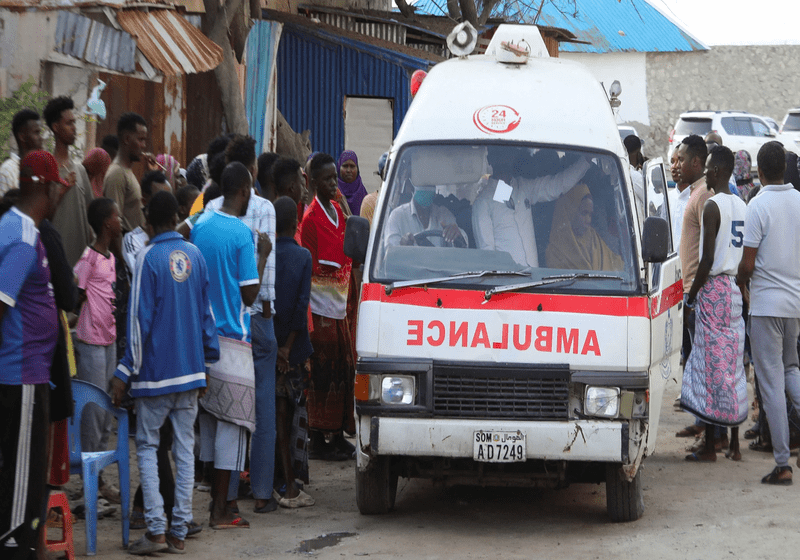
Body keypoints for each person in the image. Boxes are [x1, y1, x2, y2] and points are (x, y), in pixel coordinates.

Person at [111, 191, 219, 554]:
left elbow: (138, 322)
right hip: (190, 371)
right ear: (175, 218)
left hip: (155, 373)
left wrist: (124, 371)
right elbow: (208, 315)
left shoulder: (147, 258)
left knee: (147, 445)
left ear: (147, 222)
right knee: (185, 450)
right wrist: (205, 363)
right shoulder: (195, 255)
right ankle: (177, 530)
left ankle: (156, 527)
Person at [191, 162, 270, 528]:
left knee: (208, 421)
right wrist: (263, 254)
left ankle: (213, 501)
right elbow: (250, 293)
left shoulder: (201, 225)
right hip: (232, 339)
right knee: (235, 427)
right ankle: (223, 509)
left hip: (201, 335)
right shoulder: (241, 234)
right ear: (244, 192)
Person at [204, 135, 278, 513]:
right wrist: (262, 256)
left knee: (222, 413)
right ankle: (260, 493)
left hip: (213, 323)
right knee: (259, 409)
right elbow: (260, 285)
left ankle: (225, 493)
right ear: (251, 175)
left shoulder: (208, 211)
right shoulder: (263, 209)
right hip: (252, 320)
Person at [0, 151, 62, 559]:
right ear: (44, 185)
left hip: (29, 372)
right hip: (21, 372)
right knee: (22, 478)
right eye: (57, 185)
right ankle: (14, 547)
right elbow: (2, 301)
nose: (59, 193)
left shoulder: (19, 227)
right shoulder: (22, 235)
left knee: (23, 473)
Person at [736, 141, 800, 486]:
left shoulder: (758, 206)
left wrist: (740, 283)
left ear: (759, 171)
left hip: (765, 305)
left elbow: (747, 263)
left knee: (771, 382)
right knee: (791, 369)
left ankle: (782, 463)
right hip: (794, 304)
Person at [680, 146, 747, 463]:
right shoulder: (741, 204)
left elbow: (706, 259)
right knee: (732, 366)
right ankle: (733, 445)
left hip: (712, 290)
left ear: (718, 171)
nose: (705, 172)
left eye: (708, 168)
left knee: (708, 367)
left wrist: (691, 297)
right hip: (733, 291)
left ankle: (709, 445)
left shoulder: (713, 206)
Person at [300, 153, 356, 461]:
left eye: (335, 177)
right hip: (321, 308)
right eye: (327, 179)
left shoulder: (336, 210)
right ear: (314, 183)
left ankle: (334, 433)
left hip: (338, 305)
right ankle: (319, 438)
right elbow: (316, 265)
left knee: (341, 371)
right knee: (322, 374)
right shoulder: (311, 218)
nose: (334, 183)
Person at [73, 197, 123, 504]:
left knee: (105, 409)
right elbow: (77, 294)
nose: (120, 221)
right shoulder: (88, 258)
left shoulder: (110, 258)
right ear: (107, 223)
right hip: (91, 340)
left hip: (109, 340)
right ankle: (89, 481)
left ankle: (99, 477)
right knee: (92, 411)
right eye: (117, 216)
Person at [472, 148, 590, 268]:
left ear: (513, 157)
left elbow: (557, 185)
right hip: (507, 283)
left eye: (508, 154)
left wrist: (586, 161)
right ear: (490, 159)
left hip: (534, 280)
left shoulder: (524, 188)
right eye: (499, 154)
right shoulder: (483, 202)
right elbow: (487, 255)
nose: (504, 159)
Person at [272, 196, 315, 508]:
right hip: (294, 350)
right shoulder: (303, 256)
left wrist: (277, 348)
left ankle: (279, 480)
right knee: (295, 416)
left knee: (277, 417)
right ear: (296, 223)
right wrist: (288, 348)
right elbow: (301, 307)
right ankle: (291, 484)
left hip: (271, 349)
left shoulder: (266, 256)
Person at [673, 135, 712, 439]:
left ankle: (709, 430)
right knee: (696, 359)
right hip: (688, 288)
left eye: (683, 159)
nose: (678, 165)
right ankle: (702, 422)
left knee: (702, 360)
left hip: (696, 291)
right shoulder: (692, 194)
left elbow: (708, 251)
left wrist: (694, 292)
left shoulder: (702, 197)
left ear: (696, 163)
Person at [43, 96, 94, 267]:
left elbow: (90, 218)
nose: (74, 128)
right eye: (69, 123)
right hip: (54, 266)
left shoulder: (80, 170)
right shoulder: (45, 170)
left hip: (80, 268)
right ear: (56, 127)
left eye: (74, 122)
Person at [545, 184, 624, 271]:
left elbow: (615, 263)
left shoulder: (593, 238)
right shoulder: (555, 251)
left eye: (590, 215)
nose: (588, 220)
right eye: (584, 213)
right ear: (570, 212)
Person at [103, 112, 151, 233]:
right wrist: (121, 253)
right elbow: (113, 224)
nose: (144, 145)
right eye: (140, 139)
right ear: (127, 139)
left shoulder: (126, 171)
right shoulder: (117, 174)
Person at [122, 171, 172, 280]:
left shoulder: (179, 238)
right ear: (144, 201)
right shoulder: (132, 240)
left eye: (169, 199)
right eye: (160, 199)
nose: (167, 206)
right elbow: (142, 276)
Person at [385, 184, 467, 248]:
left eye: (430, 184)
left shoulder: (444, 214)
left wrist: (457, 237)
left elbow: (462, 249)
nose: (426, 188)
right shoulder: (397, 216)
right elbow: (390, 254)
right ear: (411, 185)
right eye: (422, 184)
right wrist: (401, 247)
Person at [0, 109, 43, 196]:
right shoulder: (8, 171)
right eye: (36, 133)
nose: (41, 138)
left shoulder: (41, 168)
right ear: (22, 137)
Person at [337, 150, 368, 216]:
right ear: (339, 167)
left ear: (357, 168)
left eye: (352, 166)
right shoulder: (333, 191)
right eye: (345, 166)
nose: (348, 170)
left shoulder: (362, 193)